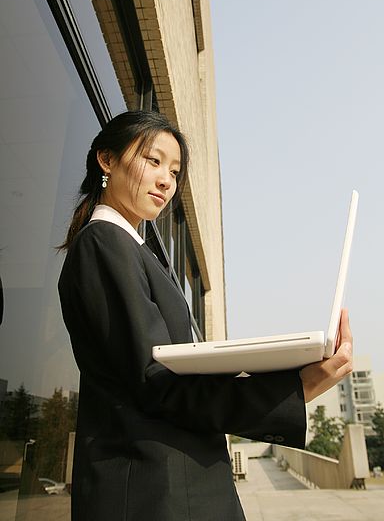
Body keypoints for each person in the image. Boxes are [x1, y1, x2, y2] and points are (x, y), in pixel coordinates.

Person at [58, 110, 353, 521]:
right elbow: (159, 384)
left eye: (175, 171)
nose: (166, 180)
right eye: (153, 160)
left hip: (173, 485)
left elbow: (169, 377)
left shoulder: (131, 249)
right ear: (106, 161)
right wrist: (294, 391)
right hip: (152, 493)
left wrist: (287, 374)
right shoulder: (104, 243)